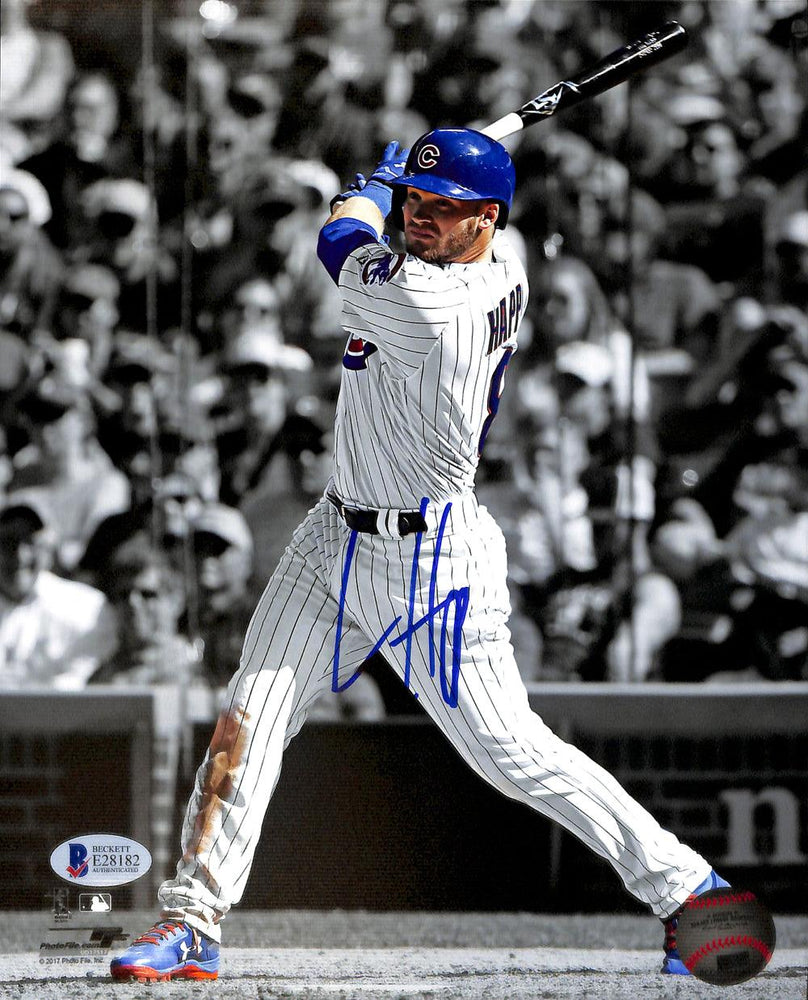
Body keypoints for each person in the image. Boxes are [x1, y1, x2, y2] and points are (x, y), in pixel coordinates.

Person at [110, 129, 728, 983]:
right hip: (333, 533)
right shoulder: (502, 254)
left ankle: (690, 890)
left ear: (488, 221)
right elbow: (426, 212)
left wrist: (367, 188)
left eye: (444, 209)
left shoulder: (433, 303)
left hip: (431, 561)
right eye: (414, 202)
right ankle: (192, 921)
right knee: (247, 717)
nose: (421, 219)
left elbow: (338, 240)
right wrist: (428, 173)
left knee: (510, 752)